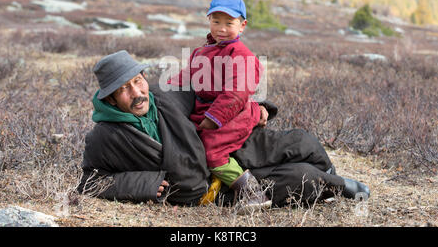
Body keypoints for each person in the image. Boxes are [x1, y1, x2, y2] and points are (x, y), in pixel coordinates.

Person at [77, 50, 370, 209]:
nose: (137, 92)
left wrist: (258, 108)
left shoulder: (165, 93)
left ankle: (330, 178)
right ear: (111, 97)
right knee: (300, 177)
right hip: (216, 190)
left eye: (138, 81)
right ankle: (339, 187)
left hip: (231, 148)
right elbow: (90, 181)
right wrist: (145, 185)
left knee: (302, 141)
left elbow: (213, 94)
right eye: (125, 90)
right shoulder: (104, 137)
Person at [167, 0, 270, 209]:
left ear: (242, 25)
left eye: (229, 23)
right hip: (207, 108)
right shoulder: (202, 51)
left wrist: (214, 118)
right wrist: (164, 87)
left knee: (212, 150)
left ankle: (252, 191)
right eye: (216, 21)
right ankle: (210, 183)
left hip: (234, 112)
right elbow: (187, 76)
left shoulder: (241, 54)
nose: (221, 28)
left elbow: (237, 92)